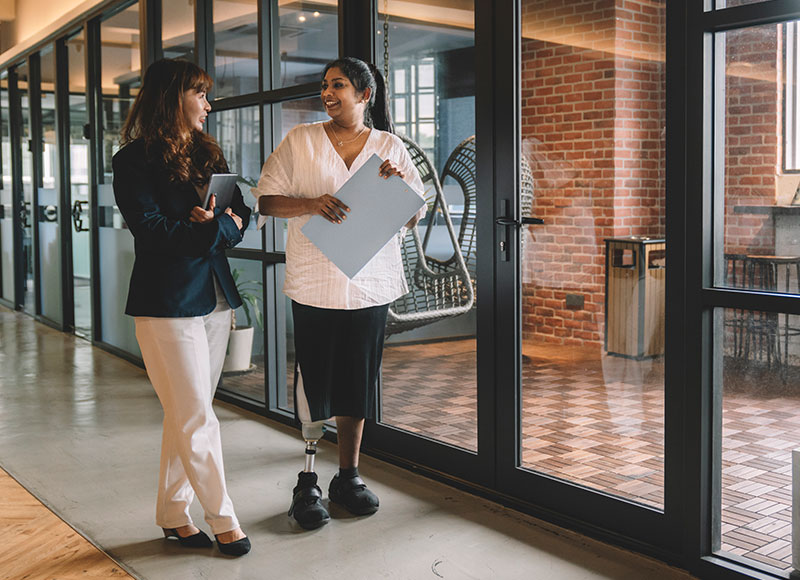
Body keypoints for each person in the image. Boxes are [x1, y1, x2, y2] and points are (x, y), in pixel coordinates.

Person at [251, 56, 426, 530]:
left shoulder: (389, 146)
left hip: (370, 285)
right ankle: (307, 482)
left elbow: (412, 215)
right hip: (315, 283)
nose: (327, 93)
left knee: (358, 383)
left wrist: (396, 190)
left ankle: (347, 477)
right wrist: (311, 203)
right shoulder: (300, 140)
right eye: (325, 85)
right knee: (314, 383)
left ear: (364, 95)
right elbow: (266, 200)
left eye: (338, 86)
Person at [112, 58, 251, 556]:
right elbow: (150, 231)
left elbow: (242, 211)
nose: (208, 105)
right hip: (167, 303)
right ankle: (225, 520)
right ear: (174, 97)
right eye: (200, 94)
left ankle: (173, 514)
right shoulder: (132, 161)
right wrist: (211, 228)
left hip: (214, 300)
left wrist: (221, 225)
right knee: (196, 418)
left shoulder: (206, 152)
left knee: (186, 414)